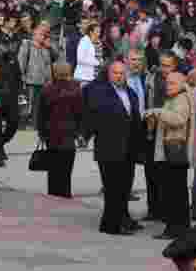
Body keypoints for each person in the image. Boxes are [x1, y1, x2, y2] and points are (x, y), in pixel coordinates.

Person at [87, 60, 141, 235]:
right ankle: (110, 225)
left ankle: (122, 220)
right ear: (109, 74)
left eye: (122, 73)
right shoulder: (100, 92)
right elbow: (95, 117)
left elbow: (135, 118)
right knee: (112, 188)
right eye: (115, 73)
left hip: (129, 148)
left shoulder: (131, 93)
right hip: (109, 147)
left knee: (124, 187)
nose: (119, 76)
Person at [145, 71, 194, 240]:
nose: (168, 86)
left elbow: (179, 119)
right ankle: (179, 226)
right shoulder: (175, 98)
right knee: (176, 191)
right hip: (172, 151)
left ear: (182, 84)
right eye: (167, 83)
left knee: (174, 192)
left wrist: (158, 112)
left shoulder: (181, 99)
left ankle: (175, 227)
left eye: (172, 83)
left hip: (175, 152)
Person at [38, 62, 83, 198]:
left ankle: (53, 194)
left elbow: (41, 114)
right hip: (69, 134)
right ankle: (65, 192)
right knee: (66, 168)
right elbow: (80, 113)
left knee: (53, 169)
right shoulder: (76, 89)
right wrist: (80, 132)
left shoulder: (47, 89)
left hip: (52, 134)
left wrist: (41, 133)